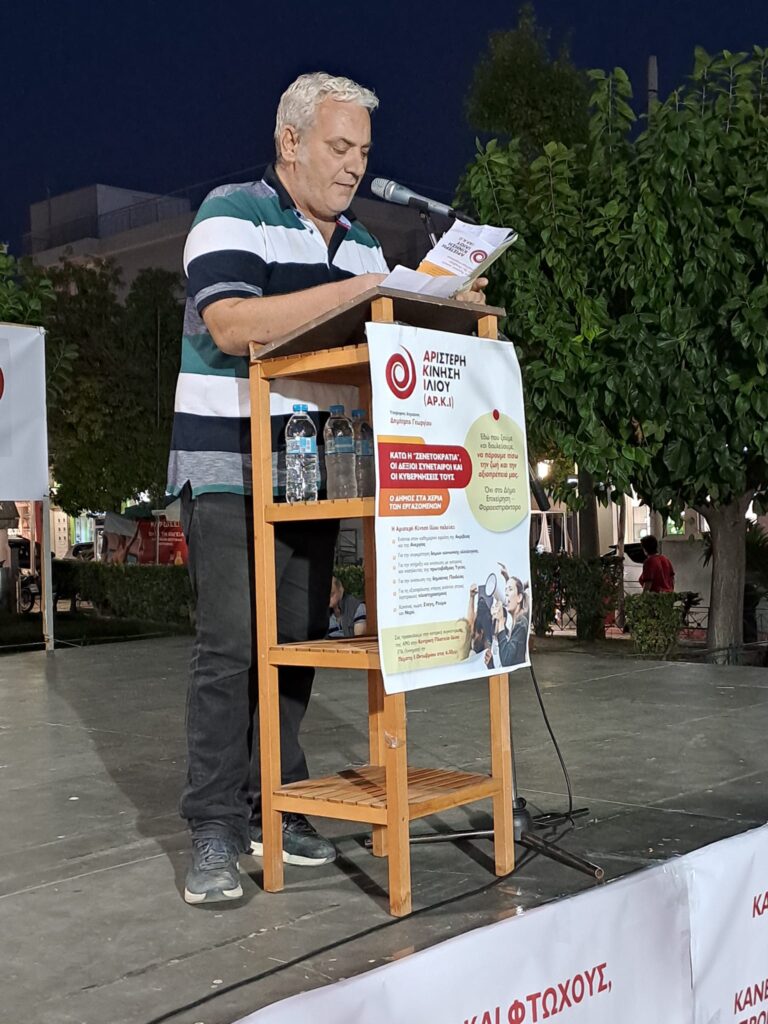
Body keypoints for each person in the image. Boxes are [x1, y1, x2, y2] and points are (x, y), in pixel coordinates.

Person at [167, 72, 487, 906]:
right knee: (232, 645)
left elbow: (380, 335)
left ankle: (274, 803)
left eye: (364, 153)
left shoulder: (362, 245)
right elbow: (231, 324)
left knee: (298, 643)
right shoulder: (232, 212)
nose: (353, 167)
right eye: (339, 147)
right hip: (230, 467)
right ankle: (212, 825)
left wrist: (441, 305)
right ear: (290, 142)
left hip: (316, 473)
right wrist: (366, 289)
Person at [492, 569, 530, 668]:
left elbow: (506, 660)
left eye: (510, 589)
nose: (506, 594)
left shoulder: (521, 624)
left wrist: (501, 621)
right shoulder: (515, 622)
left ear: (519, 597)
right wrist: (507, 578)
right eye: (505, 590)